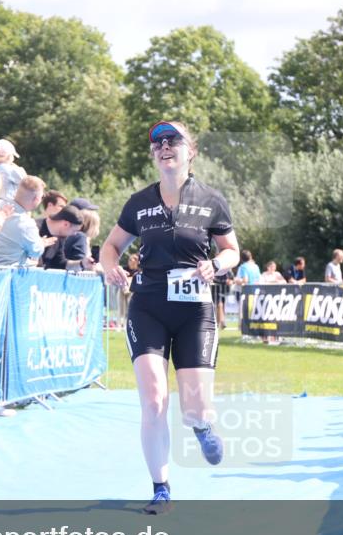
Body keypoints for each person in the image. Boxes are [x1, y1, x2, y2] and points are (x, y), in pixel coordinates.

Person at [100, 120, 240, 515]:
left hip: (195, 310)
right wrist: (108, 266)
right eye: (157, 143)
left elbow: (232, 250)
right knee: (154, 400)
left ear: (190, 151)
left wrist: (218, 265)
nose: (164, 147)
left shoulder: (211, 200)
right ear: (153, 155)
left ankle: (201, 426)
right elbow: (110, 246)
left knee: (194, 406)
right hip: (148, 306)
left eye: (173, 141)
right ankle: (161, 488)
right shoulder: (139, 202)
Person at [0, 175, 46, 266]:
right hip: (3, 276)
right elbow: (36, 252)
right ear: (36, 199)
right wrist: (42, 242)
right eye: (42, 197)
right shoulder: (26, 224)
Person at [0, 138, 27, 203]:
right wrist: (18, 168)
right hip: (9, 204)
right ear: (9, 156)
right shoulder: (9, 169)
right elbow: (26, 181)